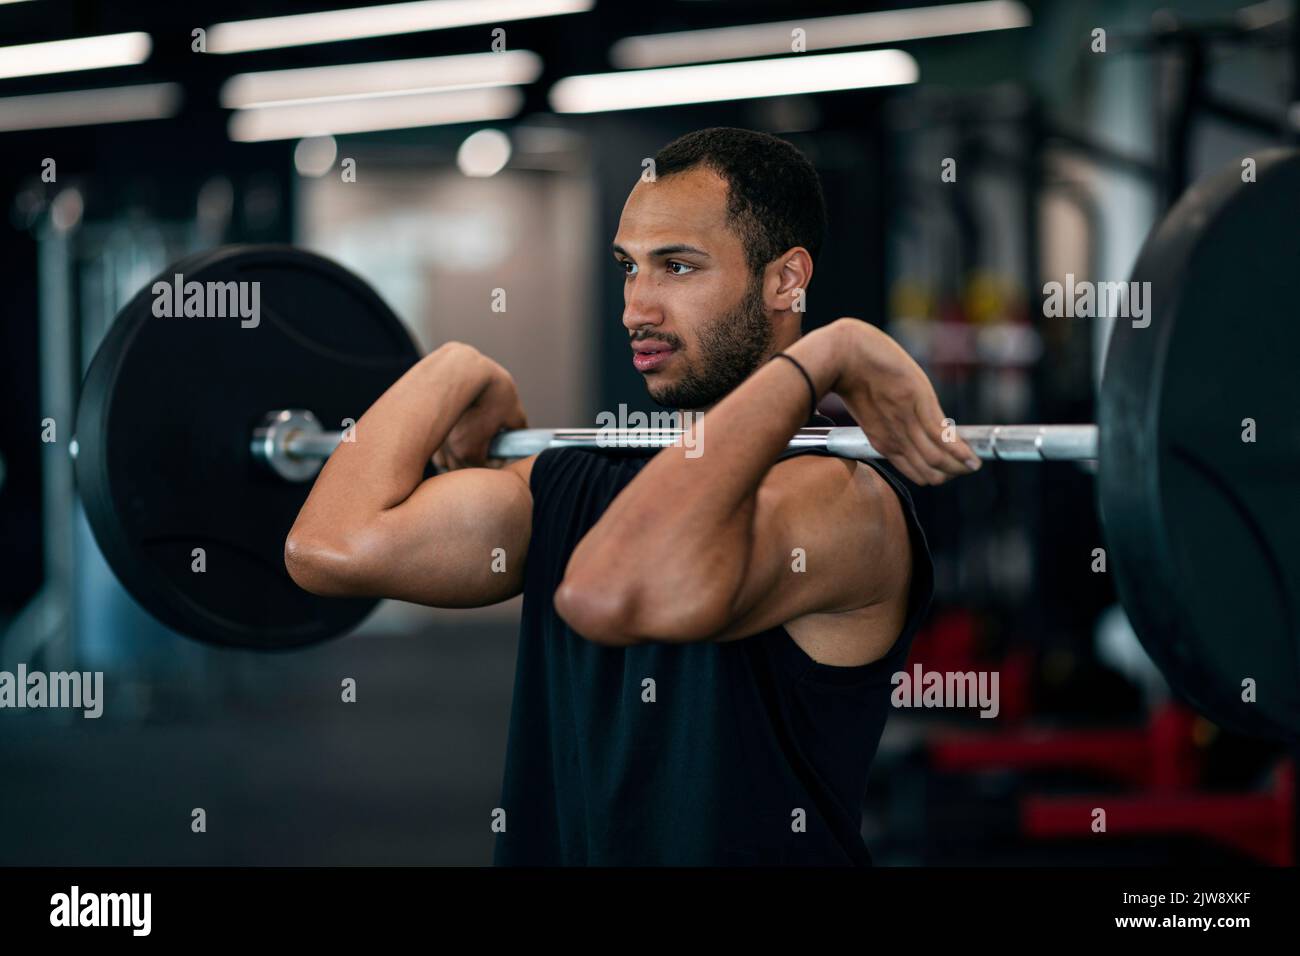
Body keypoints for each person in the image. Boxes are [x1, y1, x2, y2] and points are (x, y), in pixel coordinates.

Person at [285, 127, 979, 865]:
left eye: (677, 267)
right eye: (628, 268)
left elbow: (611, 591)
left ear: (786, 281)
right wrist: (456, 367)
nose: (636, 309)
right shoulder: (577, 481)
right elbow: (330, 547)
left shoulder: (840, 501)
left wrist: (824, 355)